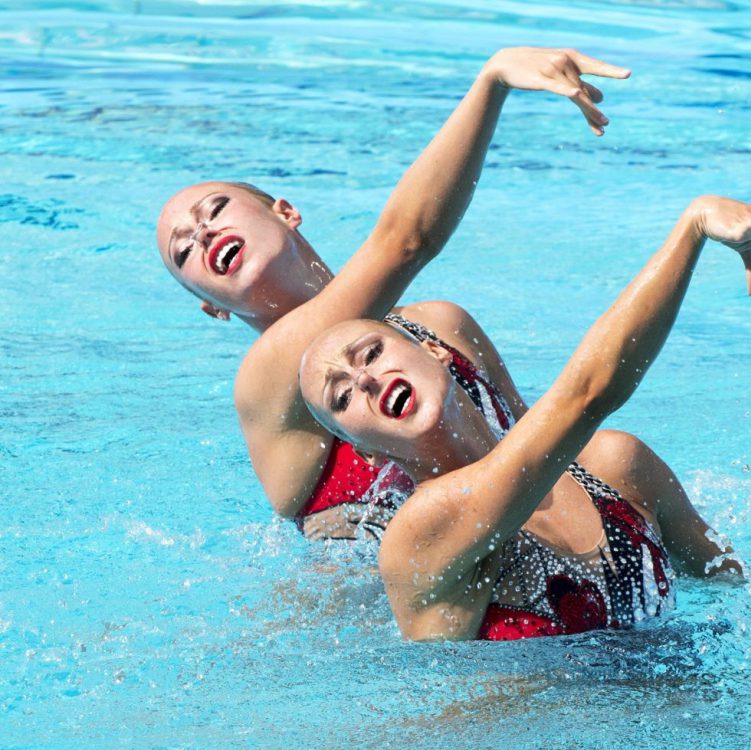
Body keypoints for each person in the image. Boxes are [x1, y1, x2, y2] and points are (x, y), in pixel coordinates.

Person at [299, 195, 751, 641]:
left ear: (437, 354)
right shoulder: (419, 536)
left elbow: (736, 582)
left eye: (371, 354)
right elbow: (588, 392)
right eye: (342, 398)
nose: (364, 380)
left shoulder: (614, 466)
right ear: (365, 451)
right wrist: (692, 230)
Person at [155, 47, 630, 539]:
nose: (202, 235)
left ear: (286, 211)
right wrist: (492, 84)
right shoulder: (270, 380)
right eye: (183, 251)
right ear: (212, 308)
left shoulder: (441, 326)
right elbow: (406, 243)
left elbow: (549, 449)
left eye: (213, 211)